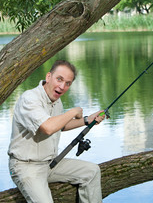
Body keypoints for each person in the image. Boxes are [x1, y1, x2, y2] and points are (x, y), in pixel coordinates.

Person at [8, 60, 105, 203]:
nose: (62, 86)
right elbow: (48, 127)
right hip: (26, 167)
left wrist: (86, 120)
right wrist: (73, 111)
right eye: (59, 79)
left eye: (67, 83)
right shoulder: (30, 98)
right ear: (48, 77)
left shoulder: (56, 101)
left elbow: (61, 126)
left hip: (50, 164)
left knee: (92, 171)